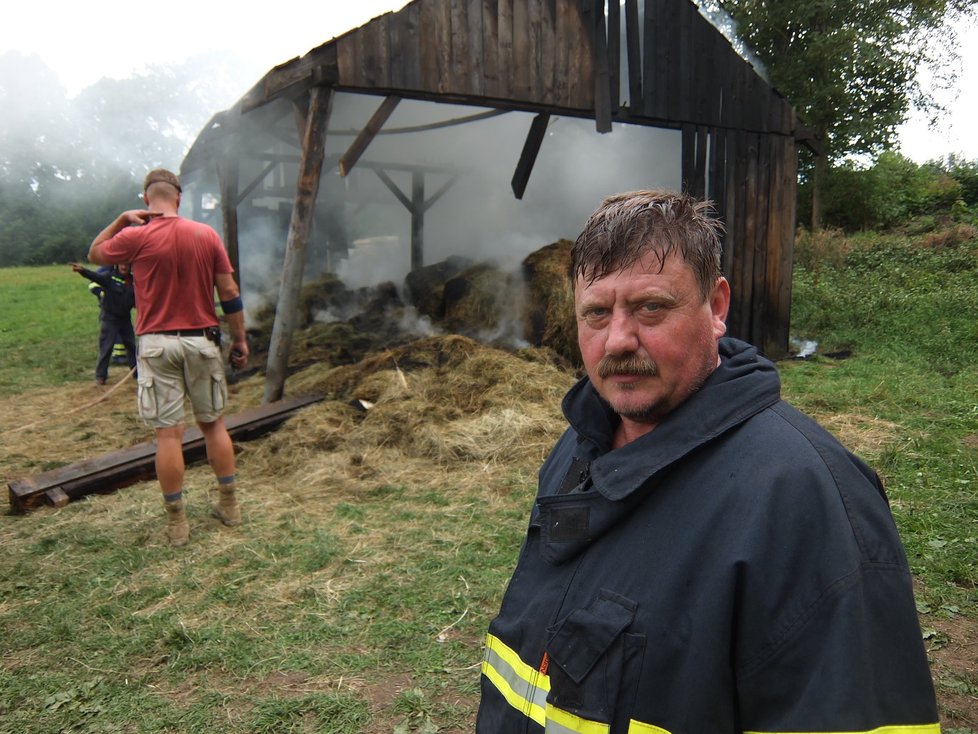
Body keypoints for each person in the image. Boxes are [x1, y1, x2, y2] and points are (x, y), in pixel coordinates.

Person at [476, 190, 940, 733]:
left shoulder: (809, 502)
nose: (618, 340)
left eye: (651, 307)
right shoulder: (579, 446)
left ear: (716, 307)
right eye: (596, 313)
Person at [87, 168, 250, 547]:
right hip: (201, 342)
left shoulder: (134, 236)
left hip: (157, 345)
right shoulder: (206, 235)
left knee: (169, 435)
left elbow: (94, 252)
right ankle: (229, 506)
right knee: (213, 426)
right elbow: (229, 291)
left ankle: (178, 523)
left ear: (146, 200)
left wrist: (120, 221)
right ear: (179, 197)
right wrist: (239, 339)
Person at [72, 262, 137, 385]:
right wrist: (82, 271)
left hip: (125, 318)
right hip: (109, 318)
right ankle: (101, 376)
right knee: (106, 347)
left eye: (126, 264)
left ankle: (137, 373)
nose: (123, 267)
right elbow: (94, 276)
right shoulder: (109, 277)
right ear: (117, 265)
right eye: (121, 264)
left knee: (132, 346)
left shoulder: (134, 281)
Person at [83, 268, 130, 365]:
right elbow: (93, 284)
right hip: (109, 308)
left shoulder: (124, 270)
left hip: (122, 308)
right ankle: (118, 355)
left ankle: (121, 355)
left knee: (123, 334)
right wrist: (103, 294)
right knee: (111, 334)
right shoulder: (105, 270)